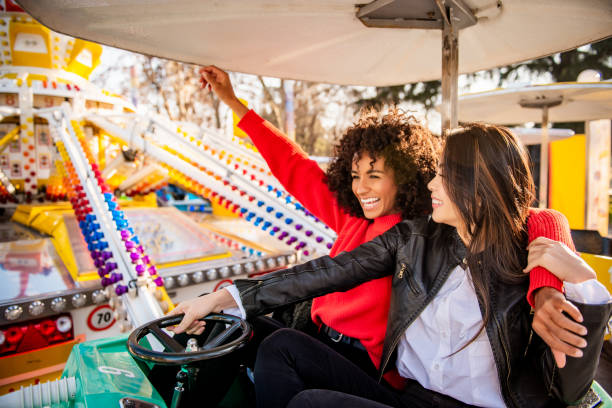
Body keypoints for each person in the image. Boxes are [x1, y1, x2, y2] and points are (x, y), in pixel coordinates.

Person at [170, 123, 611, 408]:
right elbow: (325, 271)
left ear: (478, 185)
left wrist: (581, 288)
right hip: (413, 397)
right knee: (280, 346)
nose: (432, 182)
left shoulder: (533, 264)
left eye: (443, 174)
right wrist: (229, 297)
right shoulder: (416, 238)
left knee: (313, 404)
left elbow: (570, 390)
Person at [197, 66, 589, 376]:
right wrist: (234, 104)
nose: (361, 187)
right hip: (318, 334)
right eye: (354, 175)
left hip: (364, 360)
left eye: (374, 174)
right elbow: (295, 166)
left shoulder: (423, 225)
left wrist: (545, 289)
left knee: (271, 349)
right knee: (226, 326)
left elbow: (541, 218)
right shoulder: (350, 212)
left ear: (403, 175)